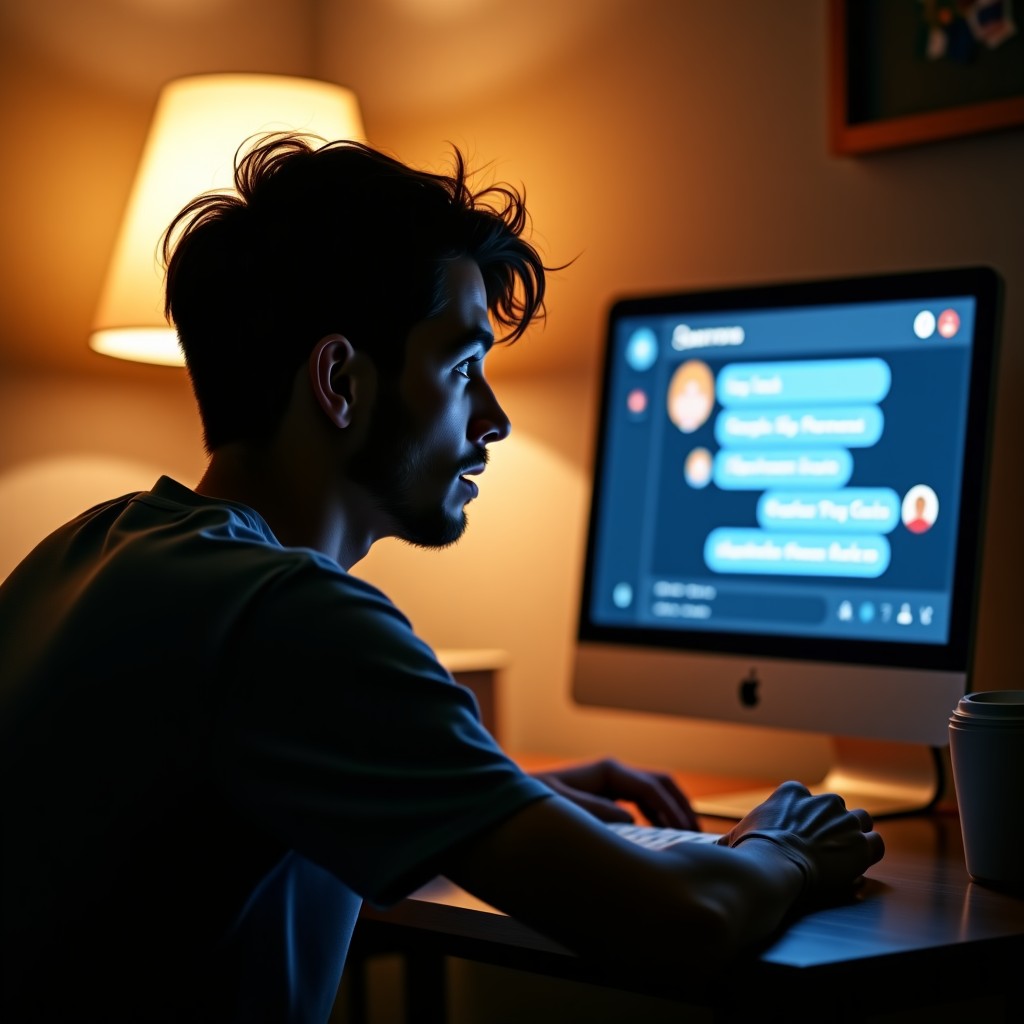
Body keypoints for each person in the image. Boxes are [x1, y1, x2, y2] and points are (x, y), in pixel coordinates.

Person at [0, 133, 883, 1023]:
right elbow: (682, 923)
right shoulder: (290, 618)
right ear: (340, 380)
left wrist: (485, 794)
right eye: (464, 369)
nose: (492, 417)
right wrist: (787, 845)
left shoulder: (90, 549)